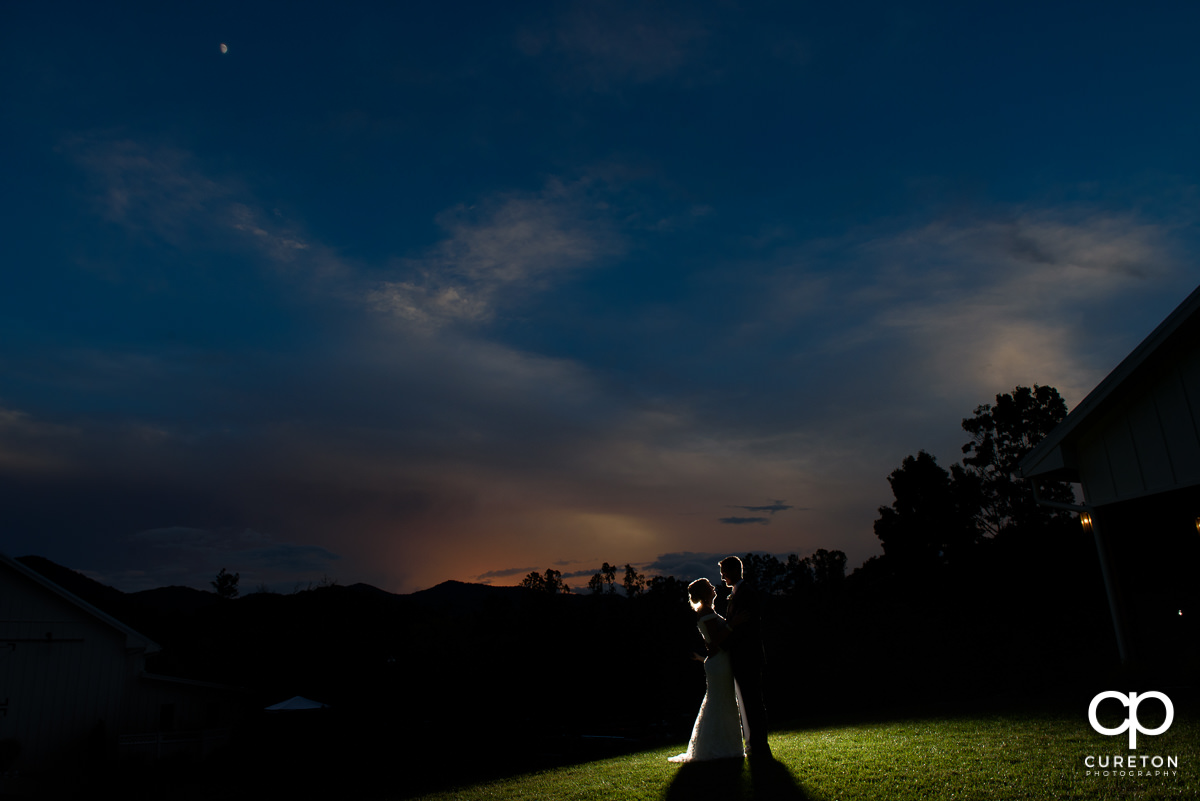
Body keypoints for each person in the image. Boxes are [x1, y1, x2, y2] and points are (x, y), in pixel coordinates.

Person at [668, 578, 748, 763]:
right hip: (719, 664)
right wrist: (733, 624)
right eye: (710, 586)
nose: (714, 588)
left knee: (722, 702)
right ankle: (720, 747)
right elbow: (715, 642)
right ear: (705, 592)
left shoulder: (706, 610)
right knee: (721, 703)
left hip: (719, 663)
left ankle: (724, 745)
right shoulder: (705, 611)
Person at [720, 555, 770, 759]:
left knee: (752, 702)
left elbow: (745, 629)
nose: (722, 576)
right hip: (742, 657)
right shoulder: (738, 593)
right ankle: (753, 743)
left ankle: (758, 744)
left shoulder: (746, 594)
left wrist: (725, 637)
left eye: (724, 572)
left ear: (733, 571)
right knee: (748, 702)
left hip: (747, 657)